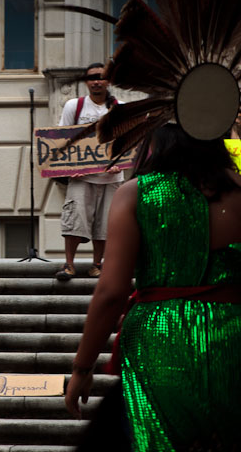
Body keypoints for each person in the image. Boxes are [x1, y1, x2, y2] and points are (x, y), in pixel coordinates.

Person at [65, 123, 241, 449]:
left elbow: (111, 292)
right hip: (233, 337)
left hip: (160, 338)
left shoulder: (136, 192)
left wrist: (82, 368)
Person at [55, 63, 123, 281]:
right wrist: (69, 167)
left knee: (105, 224)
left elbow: (129, 141)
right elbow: (61, 138)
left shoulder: (119, 108)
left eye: (101, 77)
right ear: (86, 81)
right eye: (92, 77)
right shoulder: (73, 106)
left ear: (109, 81)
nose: (96, 81)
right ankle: (69, 264)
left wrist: (119, 163)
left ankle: (97, 265)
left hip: (111, 177)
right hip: (81, 177)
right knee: (75, 220)